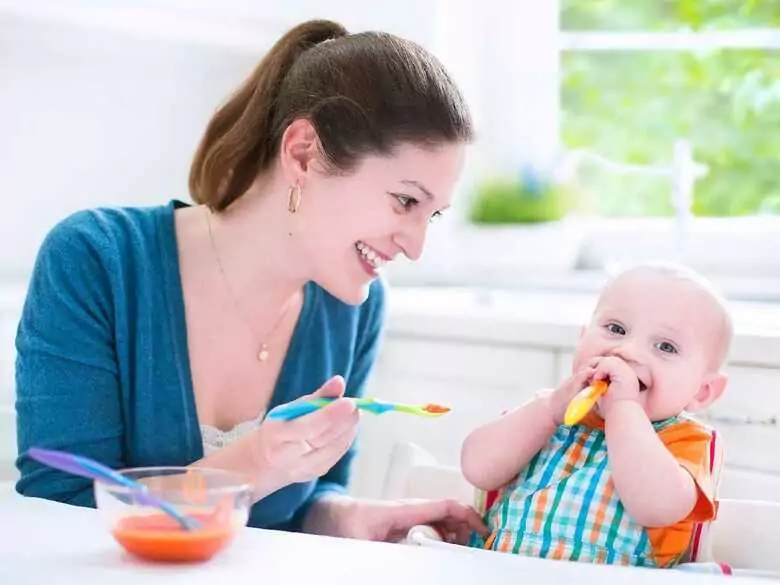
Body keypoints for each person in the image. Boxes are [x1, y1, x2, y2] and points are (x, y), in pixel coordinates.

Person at [15, 18, 486, 544]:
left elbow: (301, 503)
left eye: (433, 214)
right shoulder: (96, 261)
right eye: (405, 201)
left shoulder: (355, 307)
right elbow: (58, 516)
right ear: (303, 152)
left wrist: (350, 518)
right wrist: (256, 462)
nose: (416, 247)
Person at [461, 264, 732, 567]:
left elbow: (657, 507)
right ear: (582, 339)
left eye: (666, 347)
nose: (627, 350)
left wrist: (623, 410)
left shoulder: (685, 440)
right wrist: (550, 410)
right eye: (616, 329)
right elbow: (476, 468)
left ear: (702, 391)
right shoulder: (546, 414)